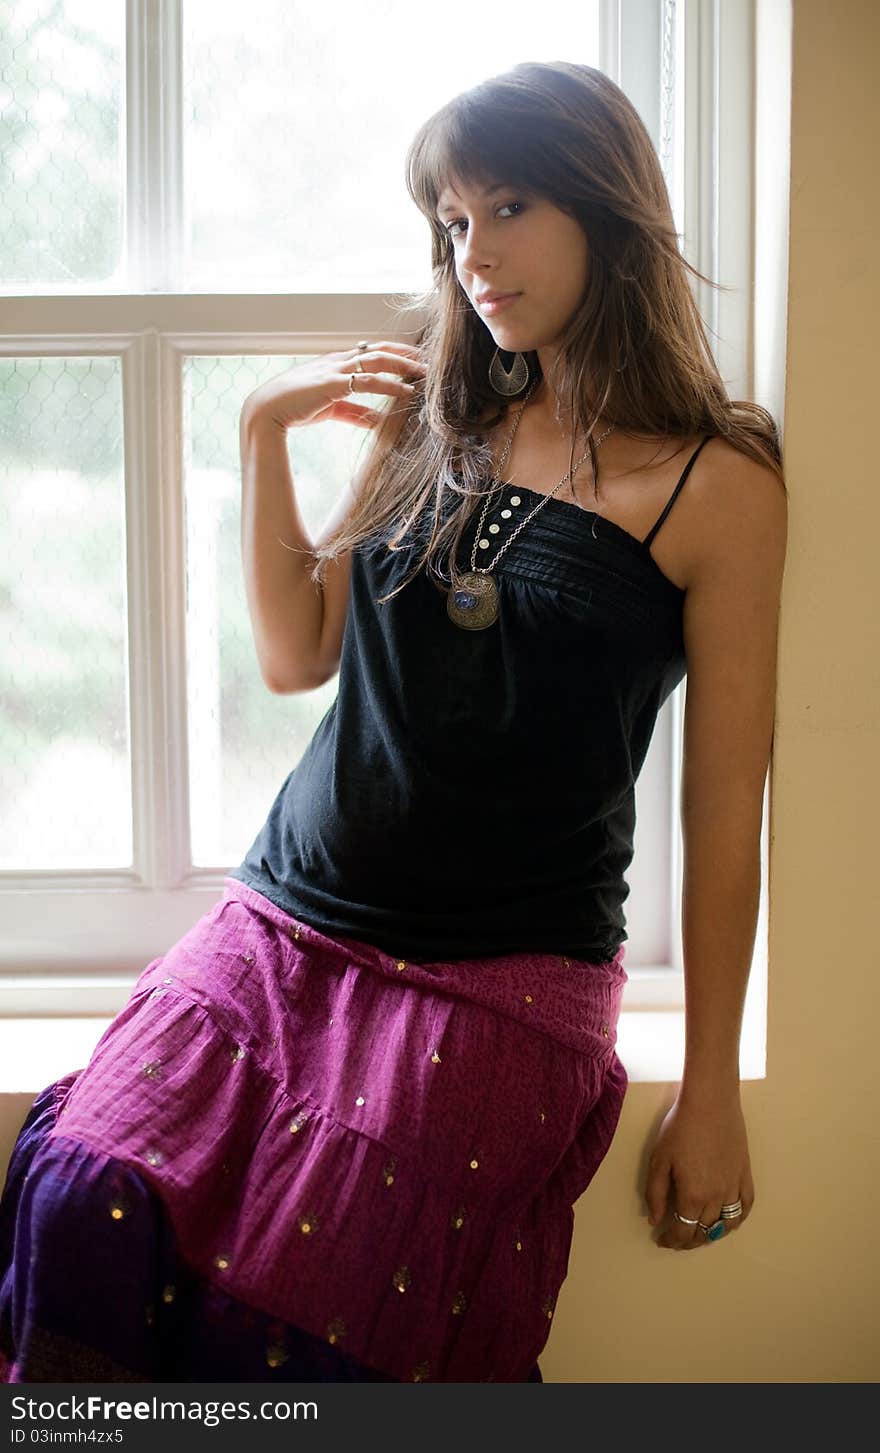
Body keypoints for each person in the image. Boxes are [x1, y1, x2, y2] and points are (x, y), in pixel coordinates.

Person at [0, 60, 787, 1385]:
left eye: (510, 207)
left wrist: (710, 1088)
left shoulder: (717, 485)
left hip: (501, 985)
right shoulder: (445, 401)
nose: (474, 256)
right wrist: (259, 437)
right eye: (452, 223)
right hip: (283, 927)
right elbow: (298, 649)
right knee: (88, 1195)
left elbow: (726, 808)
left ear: (608, 209)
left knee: (317, 1333)